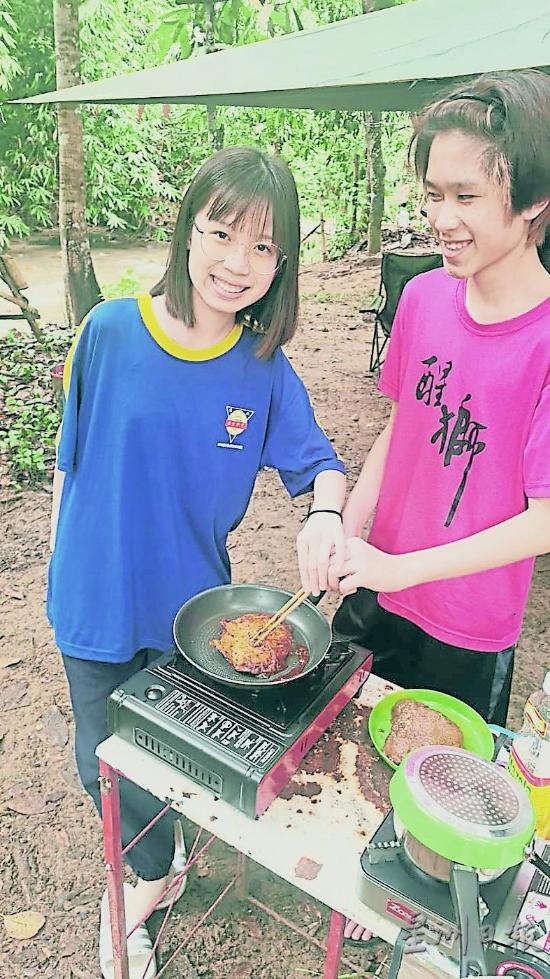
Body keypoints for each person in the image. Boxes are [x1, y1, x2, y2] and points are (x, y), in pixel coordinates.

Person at [48, 146, 346, 978]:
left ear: (281, 262)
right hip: (96, 600)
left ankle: (143, 878)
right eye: (220, 232)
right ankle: (146, 878)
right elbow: (69, 466)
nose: (236, 263)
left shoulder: (262, 370)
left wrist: (325, 514)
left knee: (169, 761)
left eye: (262, 247)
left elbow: (319, 462)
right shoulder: (109, 330)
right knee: (100, 759)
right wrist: (58, 581)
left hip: (193, 620)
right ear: (187, 233)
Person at [332, 69, 550, 944]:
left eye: (467, 195)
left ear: (533, 200)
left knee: (440, 807)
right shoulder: (422, 296)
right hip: (375, 587)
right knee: (343, 766)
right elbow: (403, 424)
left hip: (464, 625)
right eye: (432, 193)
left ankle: (411, 941)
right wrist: (349, 524)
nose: (442, 217)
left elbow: (544, 516)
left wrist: (400, 565)